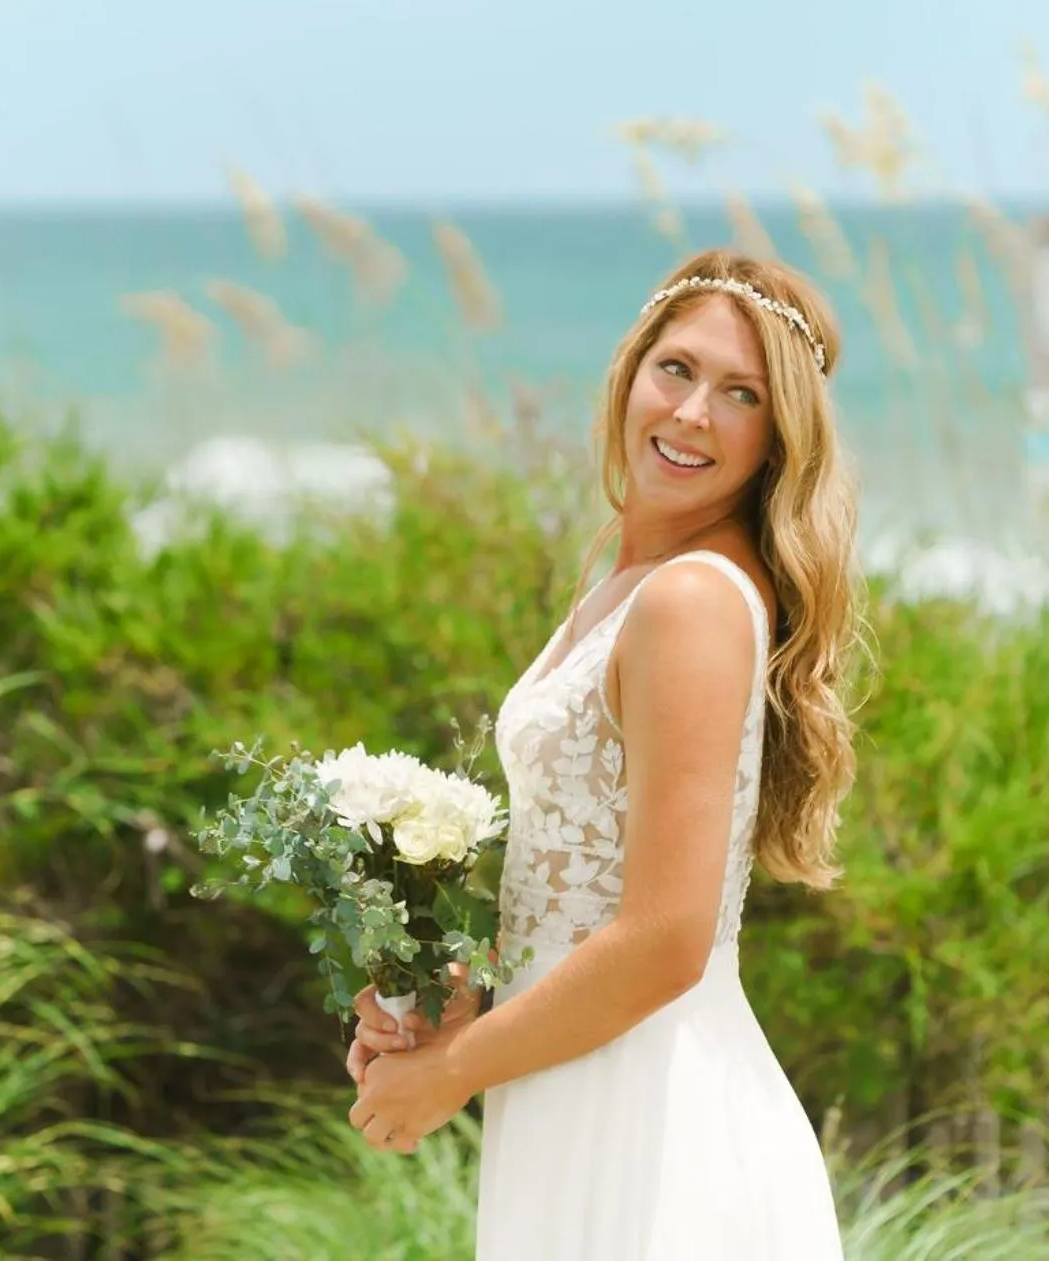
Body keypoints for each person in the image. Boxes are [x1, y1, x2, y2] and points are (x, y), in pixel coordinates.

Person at [345, 248, 867, 1258]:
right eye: (674, 370)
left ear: (774, 440)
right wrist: (448, 1004)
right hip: (571, 1083)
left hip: (654, 1123)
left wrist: (454, 1073)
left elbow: (667, 937)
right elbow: (580, 885)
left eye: (739, 394)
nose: (688, 415)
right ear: (629, 371)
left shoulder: (688, 602)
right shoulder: (629, 582)